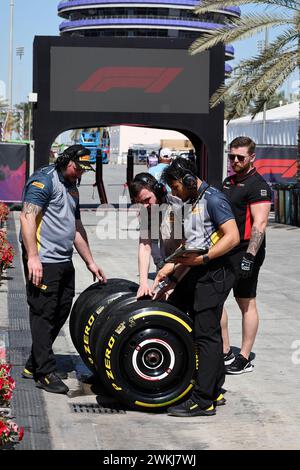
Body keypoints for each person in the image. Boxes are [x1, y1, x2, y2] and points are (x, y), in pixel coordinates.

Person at [152, 157, 240, 417]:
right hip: (199, 270)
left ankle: (203, 401)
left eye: (175, 187)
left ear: (189, 180)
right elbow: (192, 243)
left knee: (206, 334)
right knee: (176, 311)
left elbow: (232, 236)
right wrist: (170, 269)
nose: (173, 192)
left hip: (216, 272)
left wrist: (203, 259)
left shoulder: (213, 199)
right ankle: (215, 389)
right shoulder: (190, 202)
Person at [20, 144, 107, 394]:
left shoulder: (72, 186)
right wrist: (33, 258)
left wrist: (90, 261)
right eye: (78, 168)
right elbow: (27, 217)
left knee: (61, 309)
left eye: (83, 171)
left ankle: (35, 362)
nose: (80, 173)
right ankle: (44, 373)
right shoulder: (43, 181)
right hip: (44, 261)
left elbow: (76, 225)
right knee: (43, 313)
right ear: (66, 161)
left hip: (63, 260)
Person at [221, 136, 272, 374]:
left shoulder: (258, 186)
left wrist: (249, 258)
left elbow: (260, 226)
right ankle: (223, 352)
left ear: (252, 157)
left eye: (240, 157)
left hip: (246, 251)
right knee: (216, 300)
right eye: (231, 156)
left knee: (246, 302)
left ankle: (243, 357)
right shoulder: (228, 182)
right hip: (226, 249)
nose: (235, 161)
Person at [129, 173, 182, 299]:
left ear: (158, 191)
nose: (145, 205)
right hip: (166, 268)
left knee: (205, 311)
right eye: (140, 202)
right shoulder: (146, 212)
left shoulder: (178, 207)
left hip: (187, 264)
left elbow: (186, 246)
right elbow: (145, 246)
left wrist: (174, 280)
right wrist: (143, 283)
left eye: (147, 200)